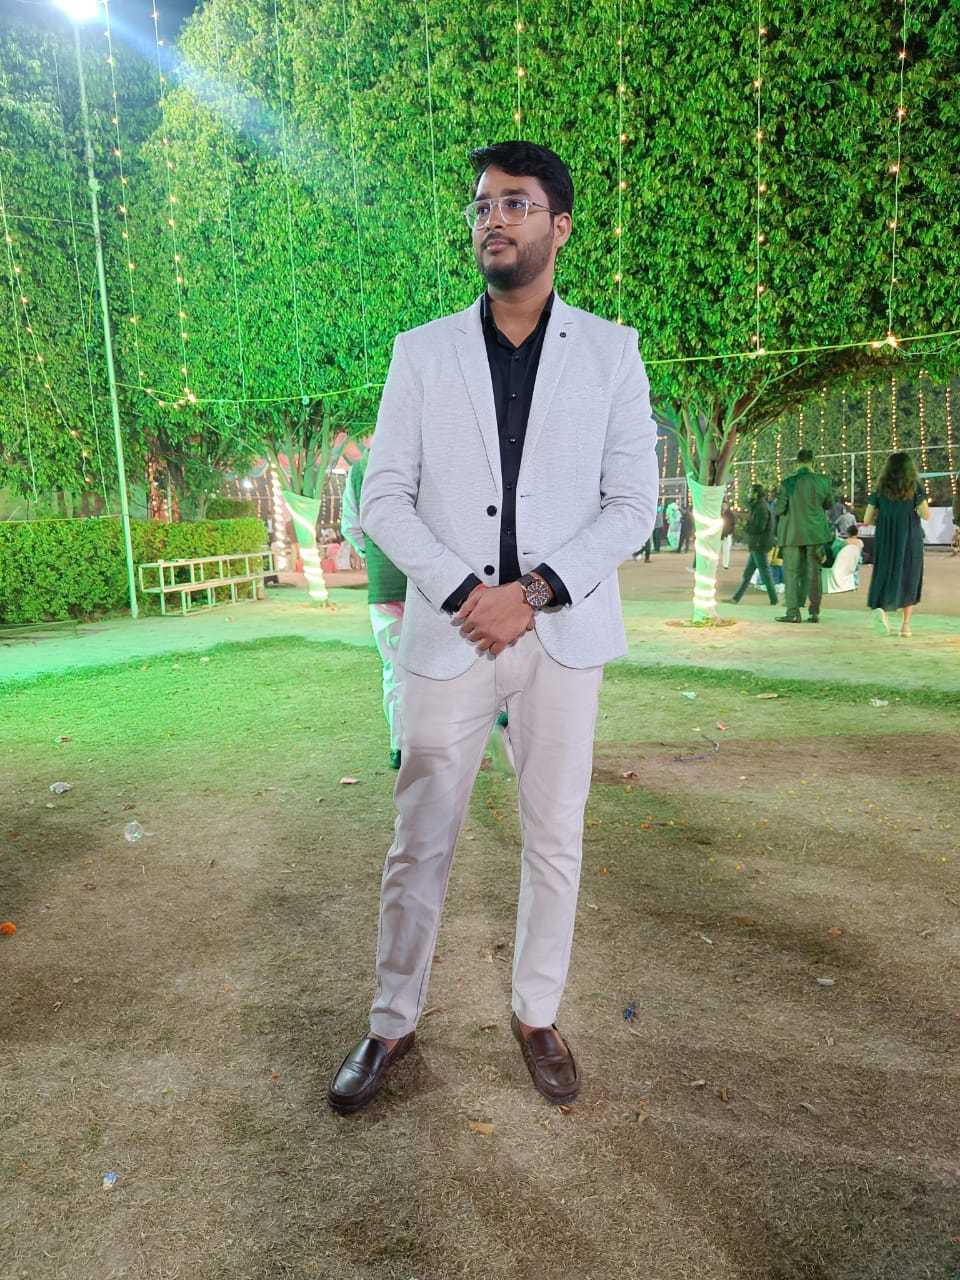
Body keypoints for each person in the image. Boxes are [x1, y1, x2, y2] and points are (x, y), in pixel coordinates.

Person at [327, 141, 658, 1116]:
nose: (493, 220)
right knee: (419, 836)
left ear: (560, 225)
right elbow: (383, 498)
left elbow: (633, 505)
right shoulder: (421, 352)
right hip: (452, 634)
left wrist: (537, 589)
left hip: (562, 637)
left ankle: (537, 1014)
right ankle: (391, 1021)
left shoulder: (612, 351)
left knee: (555, 835)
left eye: (515, 204)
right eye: (482, 206)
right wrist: (468, 591)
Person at [341, 452, 408, 770]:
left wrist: (376, 555)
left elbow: (351, 527)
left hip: (385, 587)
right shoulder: (423, 457)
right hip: (430, 586)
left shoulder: (360, 470)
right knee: (438, 666)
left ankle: (400, 745)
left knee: (394, 668)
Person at [864, 451, 929, 636]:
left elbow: (867, 519)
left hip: (885, 538)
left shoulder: (880, 488)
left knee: (884, 572)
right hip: (909, 538)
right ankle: (905, 626)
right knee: (910, 576)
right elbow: (926, 514)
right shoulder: (914, 487)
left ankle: (881, 610)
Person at [774, 448, 833, 623]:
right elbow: (828, 504)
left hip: (792, 534)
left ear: (797, 462)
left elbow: (779, 509)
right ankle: (814, 612)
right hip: (815, 534)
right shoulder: (823, 481)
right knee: (814, 573)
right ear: (812, 462)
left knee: (791, 573)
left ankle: (793, 612)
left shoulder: (788, 483)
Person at [725, 483, 778, 606]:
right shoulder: (758, 506)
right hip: (757, 544)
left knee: (765, 573)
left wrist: (746, 526)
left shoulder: (761, 508)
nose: (748, 494)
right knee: (748, 574)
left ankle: (774, 599)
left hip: (759, 544)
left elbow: (759, 526)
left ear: (756, 494)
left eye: (750, 492)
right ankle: (736, 598)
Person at [822, 525, 863, 594]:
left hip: (845, 563)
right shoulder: (860, 542)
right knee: (854, 568)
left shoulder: (844, 542)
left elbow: (836, 553)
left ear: (848, 533)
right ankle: (855, 584)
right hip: (856, 561)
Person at [720, 501, 735, 570]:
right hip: (720, 535)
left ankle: (725, 564)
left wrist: (729, 532)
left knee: (726, 551)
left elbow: (733, 524)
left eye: (725, 505)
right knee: (716, 550)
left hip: (727, 535)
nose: (723, 506)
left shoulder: (730, 514)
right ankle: (714, 564)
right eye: (723, 505)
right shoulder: (719, 513)